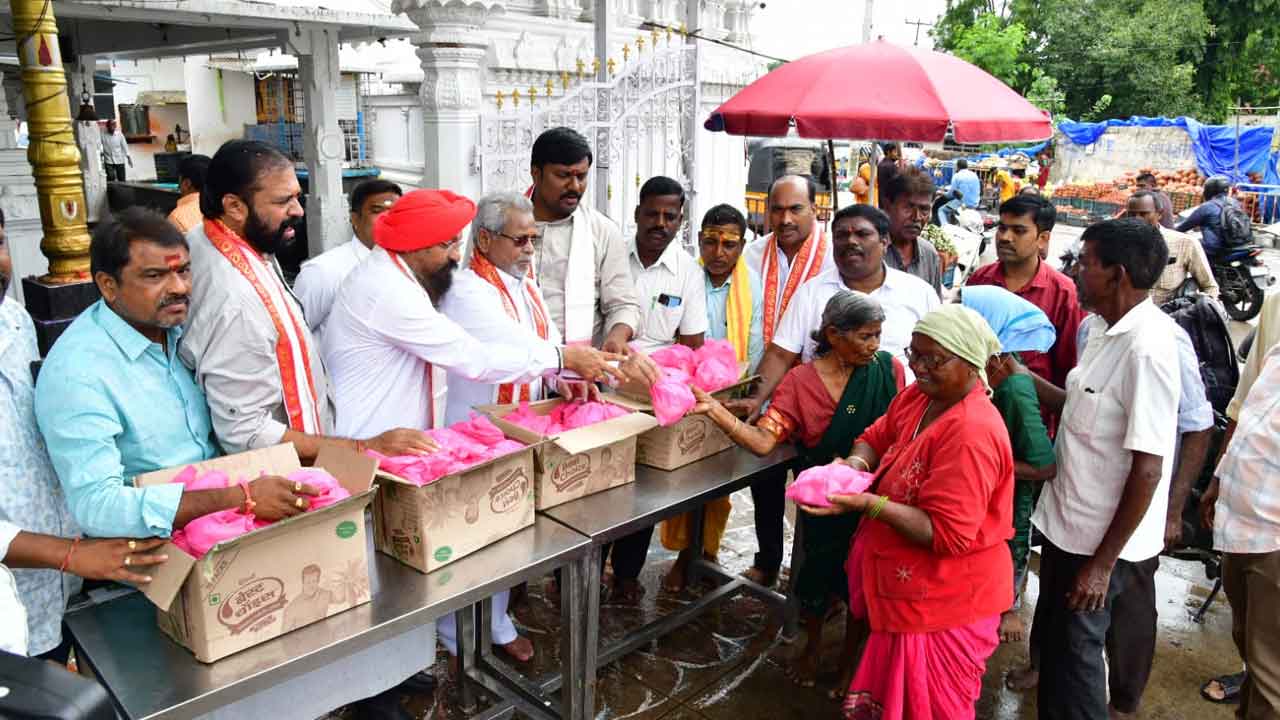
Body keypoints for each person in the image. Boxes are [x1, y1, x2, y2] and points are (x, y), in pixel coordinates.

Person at [35, 208, 318, 540]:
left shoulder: (179, 328)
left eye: (184, 271)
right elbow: (98, 507)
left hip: (230, 525)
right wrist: (240, 498)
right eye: (155, 276)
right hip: (151, 554)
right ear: (108, 286)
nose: (180, 287)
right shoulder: (79, 374)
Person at [803, 304, 1013, 719]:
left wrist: (870, 502)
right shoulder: (921, 396)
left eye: (934, 359)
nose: (918, 367)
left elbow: (948, 534)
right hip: (908, 590)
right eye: (914, 354)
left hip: (946, 601)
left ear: (971, 362)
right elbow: (876, 435)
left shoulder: (972, 432)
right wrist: (855, 466)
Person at [692, 292, 905, 696]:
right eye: (865, 336)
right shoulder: (800, 382)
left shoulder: (887, 369)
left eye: (878, 334)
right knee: (816, 580)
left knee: (863, 584)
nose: (875, 345)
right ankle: (810, 647)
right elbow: (762, 442)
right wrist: (716, 411)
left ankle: (848, 667)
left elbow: (898, 426)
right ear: (833, 335)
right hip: (825, 503)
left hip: (876, 493)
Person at [438, 191, 618, 662]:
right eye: (520, 240)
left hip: (518, 427)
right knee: (473, 535)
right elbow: (514, 348)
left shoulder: (523, 282)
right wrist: (567, 361)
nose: (529, 250)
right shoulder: (467, 290)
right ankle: (455, 633)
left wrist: (565, 380)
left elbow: (544, 345)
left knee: (507, 532)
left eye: (533, 240)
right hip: (475, 429)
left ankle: (496, 621)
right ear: (484, 239)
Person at [178, 140, 430, 463]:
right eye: (284, 201)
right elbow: (247, 432)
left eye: (297, 197)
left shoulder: (222, 239)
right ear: (234, 207)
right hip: (277, 478)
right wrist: (362, 447)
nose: (297, 211)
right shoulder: (235, 299)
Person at [1019, 219, 1181, 720]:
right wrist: (1023, 378)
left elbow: (1148, 468)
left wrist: (1103, 563)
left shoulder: (1148, 348)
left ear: (1119, 274)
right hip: (1071, 528)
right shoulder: (1101, 331)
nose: (1076, 272)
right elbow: (1083, 409)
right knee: (1063, 649)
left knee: (1078, 659)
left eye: (1085, 263)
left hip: (1102, 543)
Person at [731, 204, 937, 587]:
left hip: (895, 432)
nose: (850, 243)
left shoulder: (918, 293)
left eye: (862, 234)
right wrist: (754, 399)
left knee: (880, 530)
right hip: (823, 433)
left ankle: (864, 598)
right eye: (841, 235)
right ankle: (796, 584)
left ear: (885, 240)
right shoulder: (814, 292)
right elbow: (781, 352)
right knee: (819, 526)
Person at [659, 204, 764, 593]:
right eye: (710, 241)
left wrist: (747, 395)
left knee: (718, 481)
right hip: (683, 393)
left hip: (732, 396)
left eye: (729, 244)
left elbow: (756, 343)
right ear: (699, 238)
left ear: (742, 245)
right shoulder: (686, 276)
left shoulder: (752, 284)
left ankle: (704, 551)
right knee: (681, 479)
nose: (719, 252)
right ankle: (685, 551)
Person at [959, 286, 1058, 645]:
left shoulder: (1014, 385)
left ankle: (1009, 606)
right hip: (990, 486)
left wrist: (991, 466)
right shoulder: (990, 361)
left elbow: (1045, 465)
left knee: (1011, 543)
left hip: (1011, 491)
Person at [1200, 290, 1280, 716]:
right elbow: (1245, 406)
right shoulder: (1278, 312)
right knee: (1252, 650)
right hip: (1244, 518)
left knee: (1271, 677)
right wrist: (1219, 476)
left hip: (1274, 534)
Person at [967, 195, 1083, 429]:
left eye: (1018, 230)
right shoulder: (980, 280)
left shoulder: (1063, 292)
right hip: (976, 410)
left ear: (1043, 239)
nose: (1005, 238)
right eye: (1002, 228)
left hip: (1030, 420)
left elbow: (1068, 369)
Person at [528, 127, 641, 353]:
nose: (575, 187)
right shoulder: (502, 224)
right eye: (563, 176)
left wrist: (617, 336)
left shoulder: (603, 231)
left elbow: (624, 304)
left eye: (581, 176)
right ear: (536, 173)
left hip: (580, 374)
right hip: (514, 371)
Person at [293, 179, 402, 340]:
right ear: (354, 219)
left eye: (395, 212)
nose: (388, 218)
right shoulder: (324, 272)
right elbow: (296, 336)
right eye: (377, 210)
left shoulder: (408, 266)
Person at [743, 174, 835, 349]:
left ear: (814, 210)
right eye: (777, 210)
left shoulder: (834, 257)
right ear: (768, 210)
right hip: (759, 367)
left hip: (813, 368)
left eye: (795, 209)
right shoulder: (752, 255)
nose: (785, 219)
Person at [627, 176, 707, 351]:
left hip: (660, 372)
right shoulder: (612, 255)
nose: (660, 223)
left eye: (669, 217)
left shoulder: (690, 273)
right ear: (637, 214)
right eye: (652, 214)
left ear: (679, 221)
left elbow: (692, 346)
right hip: (604, 365)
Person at [1125, 190, 1218, 305]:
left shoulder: (1185, 243)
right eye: (1131, 214)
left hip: (1169, 317)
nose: (1137, 219)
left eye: (1144, 214)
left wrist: (1201, 312)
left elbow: (1209, 287)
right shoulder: (1118, 244)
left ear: (1159, 214)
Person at [882, 166, 943, 295]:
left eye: (924, 209)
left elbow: (935, 308)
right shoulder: (871, 252)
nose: (917, 217)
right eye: (908, 207)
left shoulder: (929, 254)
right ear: (887, 206)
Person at [1177, 175, 1236, 257]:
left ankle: (1196, 270)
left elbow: (1184, 226)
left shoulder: (1207, 207)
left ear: (1208, 191)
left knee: (1189, 245)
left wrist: (1174, 230)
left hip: (1214, 248)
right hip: (1236, 245)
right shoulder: (1235, 203)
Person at [167, 153, 210, 235]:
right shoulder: (223, 207)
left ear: (187, 183)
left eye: (179, 181)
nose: (178, 186)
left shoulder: (176, 218)